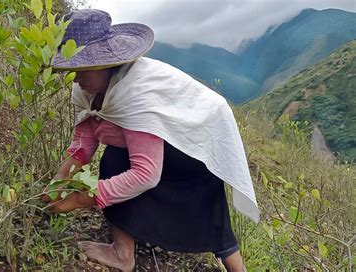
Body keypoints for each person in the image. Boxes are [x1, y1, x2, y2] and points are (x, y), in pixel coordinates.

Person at [45, 9, 259, 272]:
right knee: (114, 160)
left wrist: (81, 199)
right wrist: (59, 184)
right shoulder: (85, 89)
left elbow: (146, 174)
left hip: (191, 151)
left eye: (83, 69)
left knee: (211, 217)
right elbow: (84, 143)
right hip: (153, 152)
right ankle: (123, 254)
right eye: (72, 69)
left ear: (105, 62)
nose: (76, 77)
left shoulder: (136, 92)